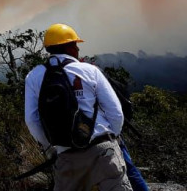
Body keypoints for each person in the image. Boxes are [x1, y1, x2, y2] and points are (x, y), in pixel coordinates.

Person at [24, 24, 132, 191]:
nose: (77, 49)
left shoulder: (34, 76)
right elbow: (116, 113)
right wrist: (114, 138)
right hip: (102, 149)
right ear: (69, 47)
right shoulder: (90, 71)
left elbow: (32, 120)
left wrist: (50, 148)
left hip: (66, 156)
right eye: (75, 44)